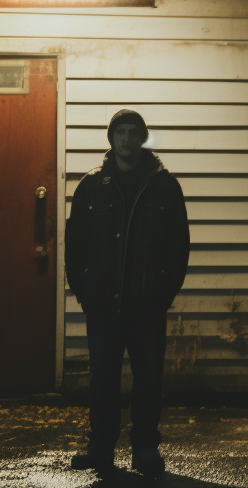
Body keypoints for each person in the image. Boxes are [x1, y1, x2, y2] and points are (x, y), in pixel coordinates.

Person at [65, 109, 191, 475]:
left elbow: (178, 245)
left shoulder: (165, 186)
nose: (126, 138)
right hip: (102, 304)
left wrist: (163, 291)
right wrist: (85, 290)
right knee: (102, 378)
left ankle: (145, 450)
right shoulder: (91, 186)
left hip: (147, 305)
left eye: (133, 132)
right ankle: (101, 449)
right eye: (120, 131)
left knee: (148, 378)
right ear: (111, 138)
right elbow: (76, 245)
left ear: (142, 138)